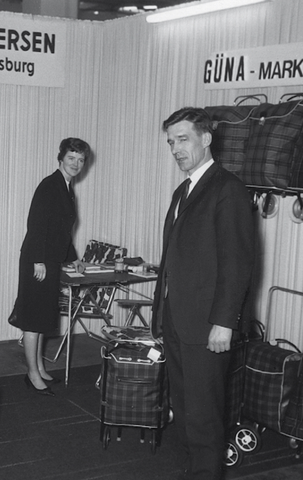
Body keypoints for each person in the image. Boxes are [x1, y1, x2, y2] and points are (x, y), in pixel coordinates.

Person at [151, 107, 255, 479]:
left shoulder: (228, 189)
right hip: (179, 324)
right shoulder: (184, 190)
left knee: (205, 418)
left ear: (206, 139)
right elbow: (174, 259)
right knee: (186, 412)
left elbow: (237, 263)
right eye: (170, 142)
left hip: (208, 328)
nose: (176, 149)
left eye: (183, 139)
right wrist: (160, 316)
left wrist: (224, 324)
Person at [11, 137, 91, 397]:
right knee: (34, 319)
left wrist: (73, 256)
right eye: (71, 158)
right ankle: (32, 375)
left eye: (80, 160)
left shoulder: (66, 187)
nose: (76, 163)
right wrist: (38, 260)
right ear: (60, 159)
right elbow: (36, 224)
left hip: (50, 261)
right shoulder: (49, 186)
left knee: (43, 316)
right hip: (39, 262)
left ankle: (40, 368)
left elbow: (61, 231)